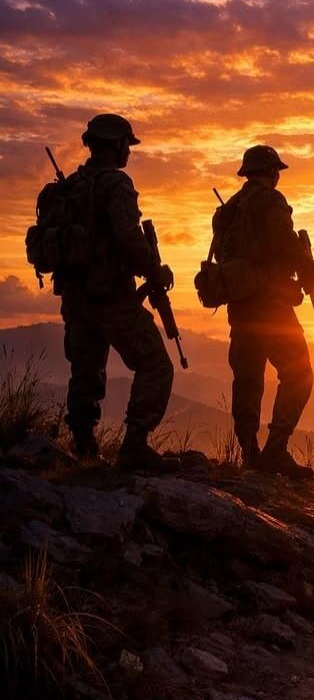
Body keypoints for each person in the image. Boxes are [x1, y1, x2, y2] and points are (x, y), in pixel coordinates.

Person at [32, 114, 176, 471]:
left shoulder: (71, 188)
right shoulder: (116, 184)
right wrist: (156, 270)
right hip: (110, 295)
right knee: (156, 364)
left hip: (75, 298)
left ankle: (83, 447)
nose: (129, 150)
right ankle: (135, 445)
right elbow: (129, 239)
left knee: (86, 370)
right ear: (115, 145)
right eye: (127, 144)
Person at [212, 145, 314, 479]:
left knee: (247, 378)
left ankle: (249, 453)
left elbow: (223, 254)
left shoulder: (230, 209)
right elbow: (286, 244)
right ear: (273, 173)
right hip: (270, 307)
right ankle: (275, 450)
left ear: (247, 174)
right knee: (299, 372)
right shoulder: (272, 202)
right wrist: (310, 267)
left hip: (240, 305)